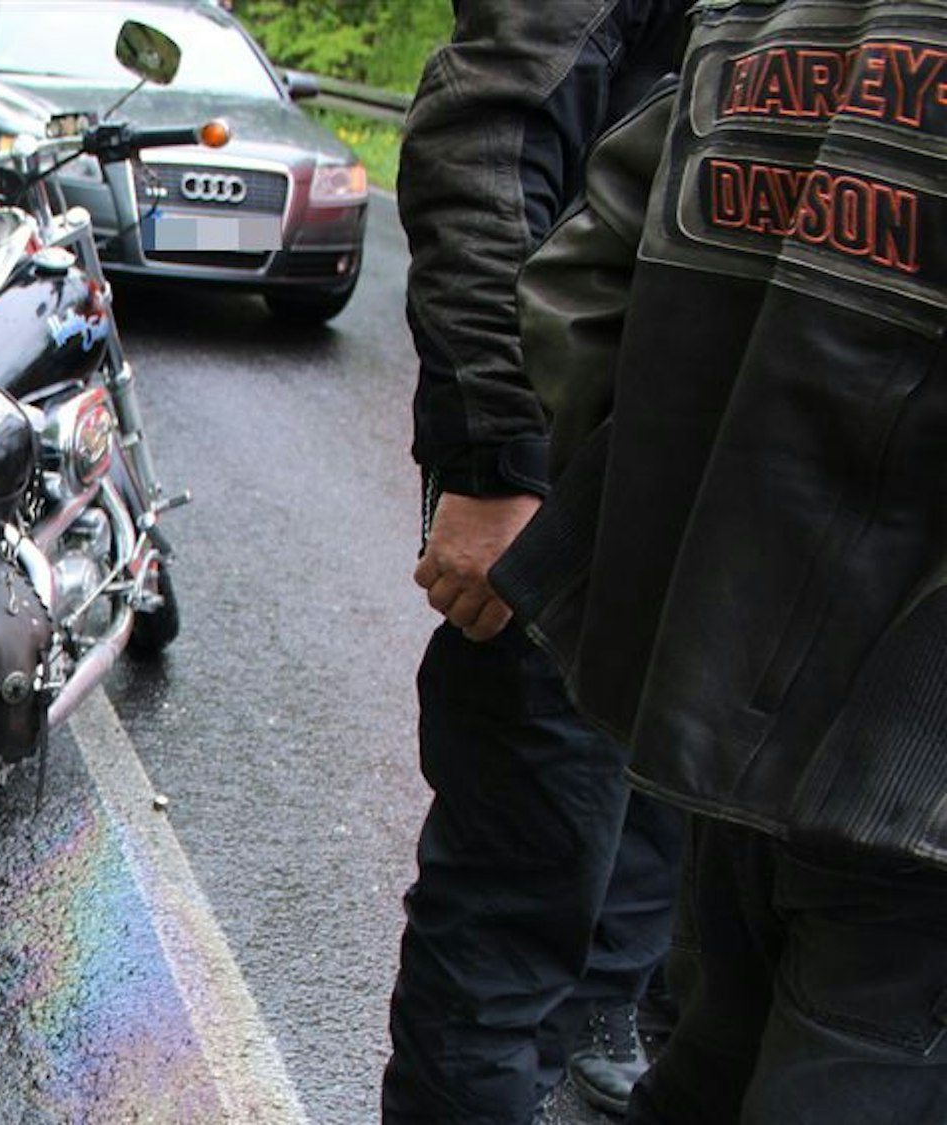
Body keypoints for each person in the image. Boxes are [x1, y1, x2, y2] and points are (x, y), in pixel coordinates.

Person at [493, 1, 947, 1120]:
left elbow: (577, 293)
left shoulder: (763, 19)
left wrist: (677, 557)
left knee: (705, 1063)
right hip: (910, 789)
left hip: (729, 704)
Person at [385, 2, 693, 1121]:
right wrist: (494, 459)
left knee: (646, 892)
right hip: (568, 495)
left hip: (719, 519)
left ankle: (585, 1046)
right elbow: (483, 129)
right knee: (513, 907)